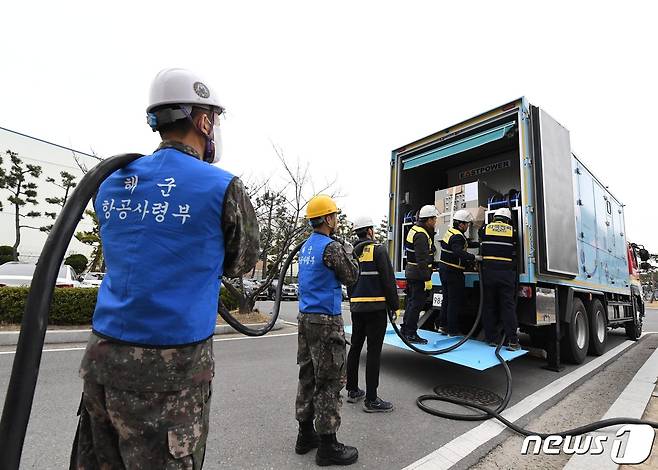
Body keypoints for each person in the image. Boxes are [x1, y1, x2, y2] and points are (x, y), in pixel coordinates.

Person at [72, 68, 259, 469]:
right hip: (171, 375)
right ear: (203, 120)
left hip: (102, 364)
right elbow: (242, 261)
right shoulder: (223, 186)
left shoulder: (111, 181)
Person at [295, 194, 360, 466]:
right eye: (335, 215)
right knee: (330, 382)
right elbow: (352, 275)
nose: (336, 220)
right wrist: (348, 248)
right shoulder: (332, 248)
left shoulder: (306, 247)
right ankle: (328, 445)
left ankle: (304, 435)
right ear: (328, 218)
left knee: (308, 376)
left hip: (305, 319)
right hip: (325, 322)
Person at [345, 216, 399, 413]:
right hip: (376, 310)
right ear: (369, 231)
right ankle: (372, 399)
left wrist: (354, 303)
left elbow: (348, 281)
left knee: (355, 347)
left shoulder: (351, 253)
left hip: (357, 309)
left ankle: (352, 390)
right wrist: (394, 306)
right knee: (374, 352)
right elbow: (388, 281)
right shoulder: (378, 250)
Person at [479, 207, 520, 350]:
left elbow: (480, 238)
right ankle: (513, 341)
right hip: (506, 274)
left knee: (489, 305)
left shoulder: (485, 228)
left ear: (494, 217)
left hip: (488, 273)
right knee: (507, 306)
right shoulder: (512, 231)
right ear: (508, 219)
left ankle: (491, 338)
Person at [437, 209, 481, 336]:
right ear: (461, 224)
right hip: (453, 272)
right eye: (467, 224)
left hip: (444, 269)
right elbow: (458, 251)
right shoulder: (457, 236)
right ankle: (452, 330)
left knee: (446, 299)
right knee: (454, 301)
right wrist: (474, 258)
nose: (468, 227)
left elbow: (465, 243)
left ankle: (443, 326)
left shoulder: (451, 232)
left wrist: (479, 244)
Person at [401, 204, 438, 344]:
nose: (435, 222)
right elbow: (422, 260)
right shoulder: (421, 235)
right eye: (434, 219)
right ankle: (410, 333)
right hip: (418, 274)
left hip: (412, 272)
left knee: (411, 303)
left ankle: (406, 329)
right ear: (428, 219)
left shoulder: (415, 230)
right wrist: (427, 279)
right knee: (416, 304)